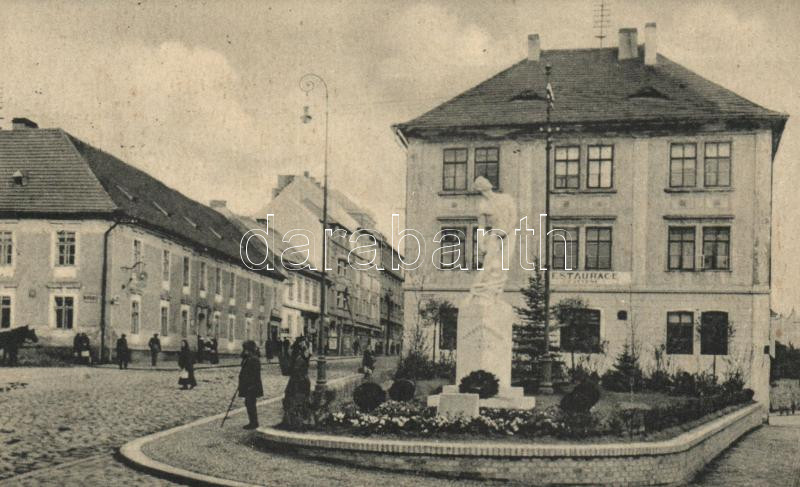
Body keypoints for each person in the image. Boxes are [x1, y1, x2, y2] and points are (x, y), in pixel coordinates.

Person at [282, 336, 312, 428]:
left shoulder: (303, 353)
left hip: (301, 379)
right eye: (302, 342)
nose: (304, 344)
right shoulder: (297, 353)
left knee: (300, 399)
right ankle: (294, 419)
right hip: (297, 379)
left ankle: (300, 419)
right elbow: (292, 366)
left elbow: (308, 354)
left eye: (304, 342)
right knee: (294, 398)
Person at [238, 340, 263, 429]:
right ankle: (252, 422)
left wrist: (251, 385)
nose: (244, 351)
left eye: (245, 349)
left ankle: (254, 423)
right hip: (248, 385)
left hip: (252, 386)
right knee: (249, 403)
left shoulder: (254, 359)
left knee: (250, 403)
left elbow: (255, 375)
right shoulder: (248, 358)